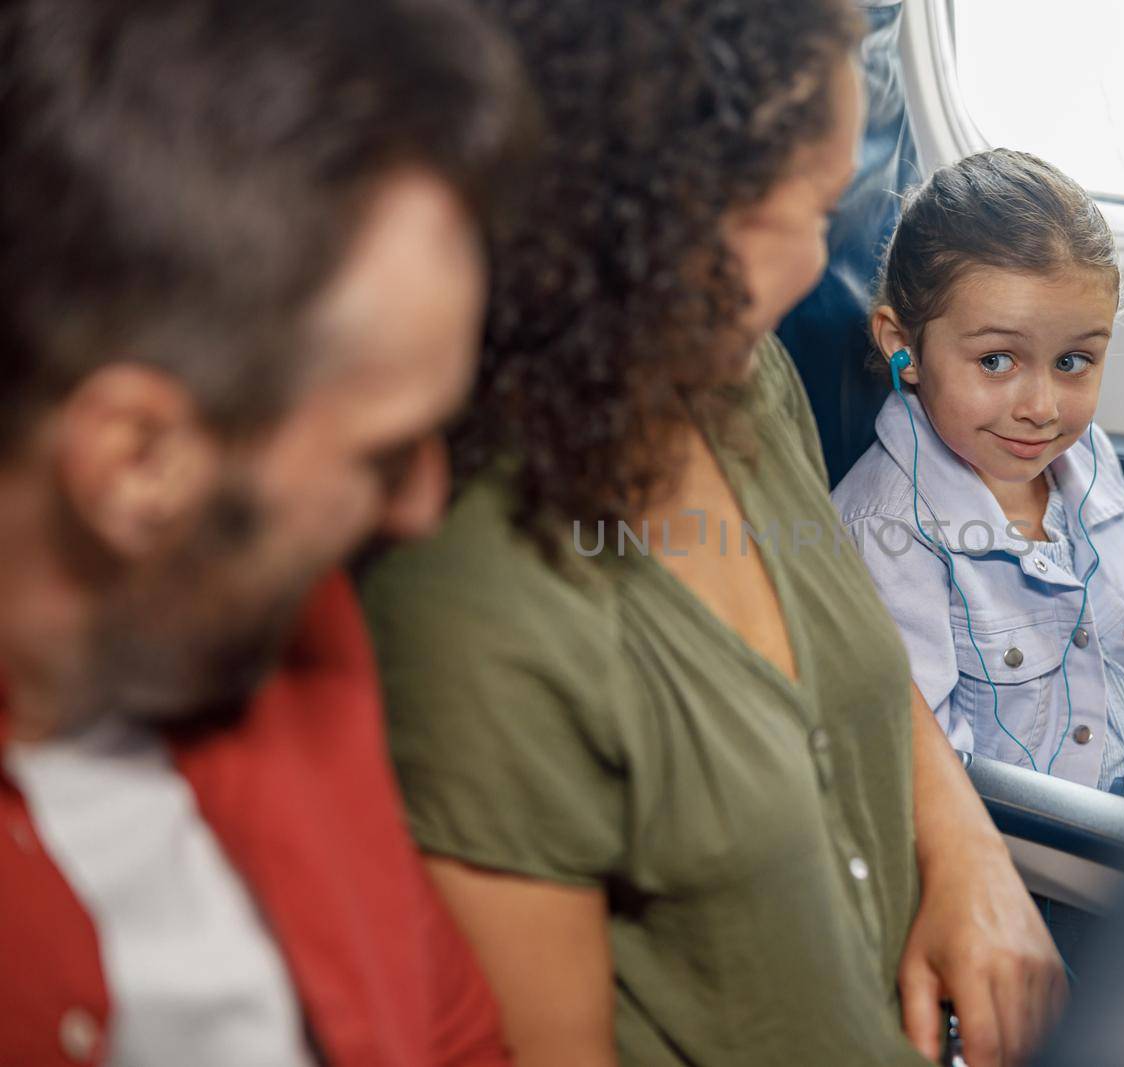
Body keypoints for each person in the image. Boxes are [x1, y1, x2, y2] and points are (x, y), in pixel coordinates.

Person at [359, 2, 1064, 1064]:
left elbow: (840, 652)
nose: (819, 271)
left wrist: (970, 853)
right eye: (813, 215)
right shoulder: (475, 606)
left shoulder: (741, 377)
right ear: (657, 222)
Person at [0, 1, 529, 1063]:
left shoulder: (286, 624)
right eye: (384, 454)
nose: (424, 508)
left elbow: (449, 1025)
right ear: (137, 462)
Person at [831, 149, 1124, 794]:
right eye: (998, 360)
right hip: (1049, 841)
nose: (1042, 410)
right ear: (904, 346)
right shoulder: (889, 533)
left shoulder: (1081, 457)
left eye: (1073, 362)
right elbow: (927, 782)